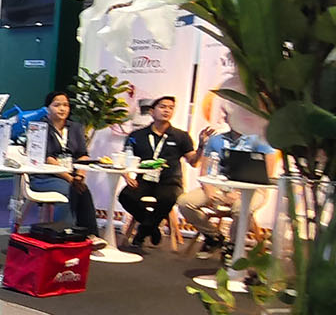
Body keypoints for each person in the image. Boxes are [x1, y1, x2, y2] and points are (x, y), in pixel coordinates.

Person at [177, 115, 275, 258]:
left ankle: (233, 246)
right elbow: (204, 171)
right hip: (219, 186)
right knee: (184, 202)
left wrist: (238, 193)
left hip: (252, 188)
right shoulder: (216, 140)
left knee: (241, 208)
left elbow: (266, 175)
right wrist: (210, 191)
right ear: (227, 119)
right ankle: (214, 237)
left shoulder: (261, 141)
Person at [119, 95, 203, 249]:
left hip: (170, 181)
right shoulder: (137, 135)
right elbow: (124, 159)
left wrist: (201, 147)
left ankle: (143, 231)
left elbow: (193, 162)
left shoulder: (181, 136)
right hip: (144, 179)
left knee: (168, 198)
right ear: (152, 111)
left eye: (171, 108)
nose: (167, 110)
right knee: (125, 196)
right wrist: (126, 176)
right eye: (163, 107)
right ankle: (151, 227)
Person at [26, 91, 102, 239]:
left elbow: (83, 154)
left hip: (71, 175)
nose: (62, 109)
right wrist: (70, 179)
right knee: (69, 190)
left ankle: (89, 235)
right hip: (44, 176)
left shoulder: (75, 128)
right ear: (47, 108)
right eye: (57, 105)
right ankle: (64, 234)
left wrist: (79, 176)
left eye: (65, 105)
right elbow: (47, 158)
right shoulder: (38, 127)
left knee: (84, 191)